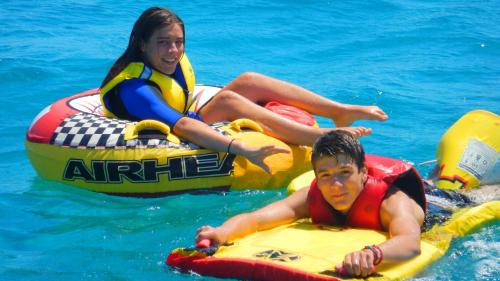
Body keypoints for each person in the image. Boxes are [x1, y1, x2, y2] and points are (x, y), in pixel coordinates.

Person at [100, 7, 388, 173]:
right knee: (228, 100)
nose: (173, 50)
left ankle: (340, 111)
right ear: (142, 44)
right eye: (163, 42)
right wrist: (239, 148)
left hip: (184, 115)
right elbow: (182, 125)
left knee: (248, 79)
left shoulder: (169, 59)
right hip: (167, 132)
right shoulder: (134, 88)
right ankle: (317, 138)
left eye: (178, 41)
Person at [195, 131, 426, 278]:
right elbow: (257, 220)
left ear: (363, 172)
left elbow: (410, 242)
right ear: (315, 176)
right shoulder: (311, 197)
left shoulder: (391, 201)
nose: (335, 185)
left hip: (440, 208)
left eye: (345, 173)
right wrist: (222, 232)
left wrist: (372, 254)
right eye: (325, 176)